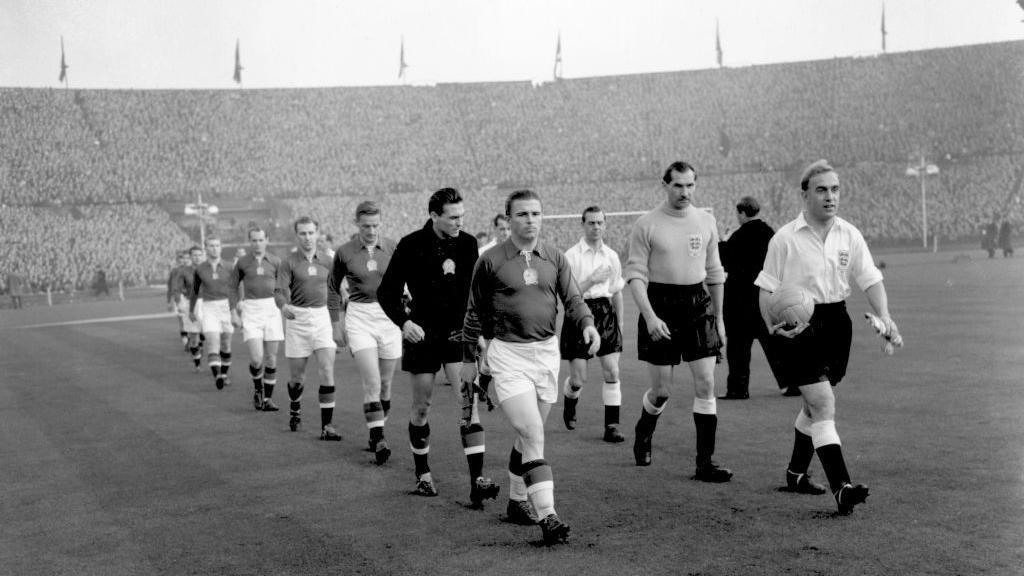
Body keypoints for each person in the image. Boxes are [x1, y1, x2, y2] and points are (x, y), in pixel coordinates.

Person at [755, 159, 900, 515]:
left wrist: (885, 315)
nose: (830, 196)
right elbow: (766, 289)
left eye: (835, 189)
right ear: (805, 194)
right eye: (821, 189)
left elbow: (869, 279)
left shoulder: (849, 233)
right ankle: (842, 488)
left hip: (837, 323)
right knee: (823, 404)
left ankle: (795, 474)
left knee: (812, 405)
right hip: (797, 326)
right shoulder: (784, 239)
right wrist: (773, 325)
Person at [461, 189, 598, 545]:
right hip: (508, 356)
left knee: (529, 436)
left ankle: (517, 500)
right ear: (508, 219)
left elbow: (573, 298)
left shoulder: (554, 257)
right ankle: (549, 516)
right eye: (522, 214)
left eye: (536, 214)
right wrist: (467, 362)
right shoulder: (490, 260)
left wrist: (587, 323)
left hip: (546, 354)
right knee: (534, 433)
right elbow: (473, 312)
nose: (531, 220)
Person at [378, 187, 500, 507]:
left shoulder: (469, 243)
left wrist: (481, 332)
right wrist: (405, 323)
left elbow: (476, 294)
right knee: (422, 407)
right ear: (434, 215)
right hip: (422, 334)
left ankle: (477, 481)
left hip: (458, 333)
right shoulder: (410, 245)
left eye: (462, 215)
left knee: (468, 403)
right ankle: (423, 474)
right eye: (453, 217)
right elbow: (387, 292)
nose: (460, 221)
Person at [624, 161, 732, 482]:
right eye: (678, 186)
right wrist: (650, 316)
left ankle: (704, 464)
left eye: (690, 186)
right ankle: (644, 431)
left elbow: (714, 274)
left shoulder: (706, 221)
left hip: (698, 305)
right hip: (660, 305)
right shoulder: (647, 225)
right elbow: (635, 276)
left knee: (707, 383)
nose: (685, 192)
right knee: (662, 390)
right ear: (665, 185)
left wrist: (720, 320)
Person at [328, 201, 402, 465]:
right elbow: (333, 287)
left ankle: (376, 428)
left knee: (385, 385)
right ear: (356, 224)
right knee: (371, 382)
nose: (371, 231)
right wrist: (336, 324)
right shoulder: (345, 252)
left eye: (375, 225)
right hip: (359, 316)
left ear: (380, 224)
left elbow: (409, 280)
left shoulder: (393, 247)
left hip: (389, 316)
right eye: (365, 226)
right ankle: (379, 437)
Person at [559, 205, 627, 443]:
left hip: (605, 312)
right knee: (579, 379)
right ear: (583, 224)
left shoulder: (612, 256)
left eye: (600, 222)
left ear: (605, 225)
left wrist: (618, 322)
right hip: (579, 313)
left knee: (612, 371)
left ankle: (612, 426)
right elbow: (569, 295)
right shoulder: (571, 256)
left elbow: (617, 291)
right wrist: (591, 279)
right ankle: (570, 401)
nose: (596, 227)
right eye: (591, 223)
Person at [275, 216, 342, 441]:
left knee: (326, 370)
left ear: (317, 233)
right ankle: (295, 406)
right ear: (297, 235)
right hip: (297, 318)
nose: (307, 237)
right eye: (303, 233)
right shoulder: (289, 262)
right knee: (297, 377)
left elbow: (335, 289)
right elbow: (280, 290)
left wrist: (339, 316)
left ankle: (327, 427)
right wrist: (284, 306)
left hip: (322, 317)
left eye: (311, 233)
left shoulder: (328, 261)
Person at [718, 196, 786, 399]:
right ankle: (790, 384)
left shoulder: (738, 237)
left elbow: (725, 262)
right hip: (766, 298)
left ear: (741, 213)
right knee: (775, 345)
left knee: (738, 348)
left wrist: (723, 241)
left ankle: (738, 388)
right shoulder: (770, 233)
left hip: (740, 301)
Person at [230, 227, 284, 412]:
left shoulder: (276, 261)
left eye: (261, 239)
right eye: (254, 240)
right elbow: (232, 287)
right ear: (249, 241)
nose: (257, 243)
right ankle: (258, 389)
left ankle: (267, 399)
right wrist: (233, 311)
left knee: (271, 358)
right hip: (251, 310)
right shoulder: (242, 263)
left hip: (272, 309)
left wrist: (286, 305)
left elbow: (284, 287)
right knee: (256, 358)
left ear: (267, 240)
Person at [189, 236, 239, 390]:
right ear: (206, 248)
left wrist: (236, 309)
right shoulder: (200, 269)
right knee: (212, 341)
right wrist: (191, 310)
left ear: (221, 247)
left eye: (217, 245)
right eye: (210, 246)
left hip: (226, 306)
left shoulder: (230, 267)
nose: (214, 248)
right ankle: (217, 375)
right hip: (209, 307)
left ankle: (224, 374)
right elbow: (195, 291)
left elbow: (237, 288)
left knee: (226, 344)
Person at [167, 251, 191, 349]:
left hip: (192, 298)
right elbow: (171, 287)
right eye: (181, 258)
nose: (183, 260)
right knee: (182, 320)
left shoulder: (194, 269)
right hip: (180, 298)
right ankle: (186, 341)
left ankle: (191, 339)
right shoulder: (175, 271)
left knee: (193, 320)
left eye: (186, 258)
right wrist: (170, 301)